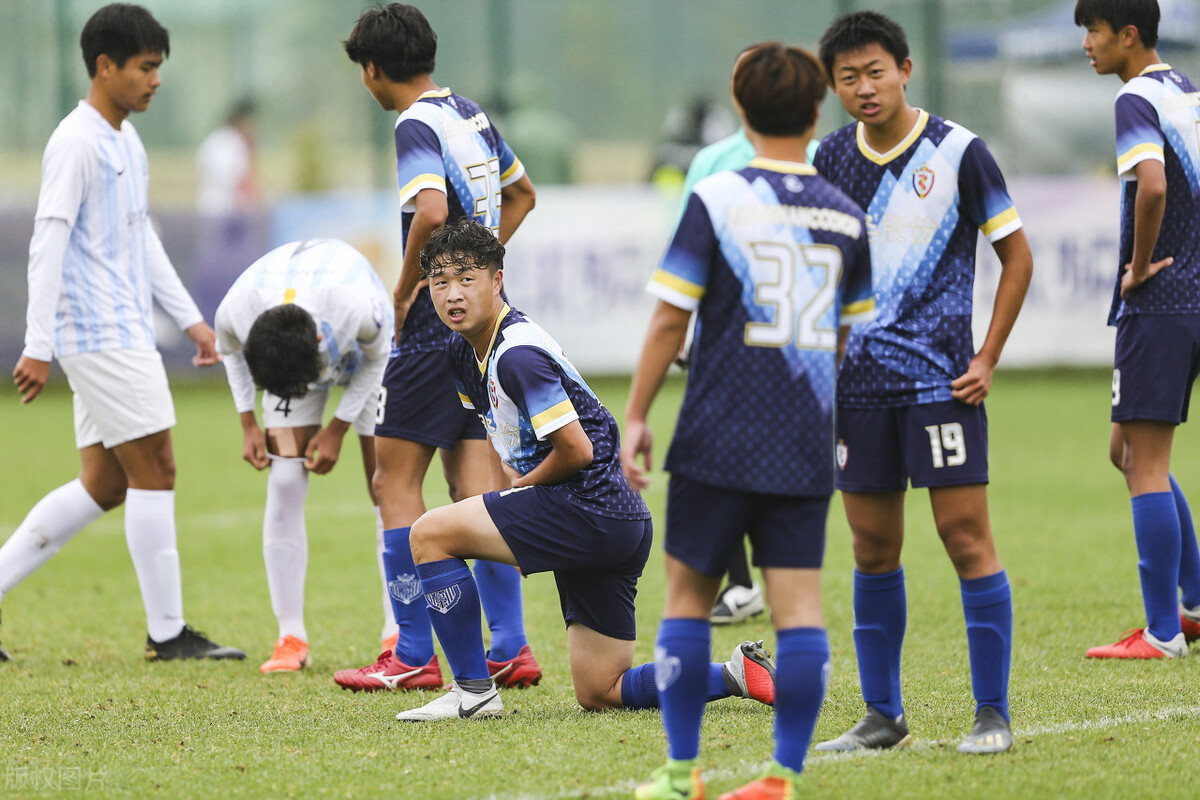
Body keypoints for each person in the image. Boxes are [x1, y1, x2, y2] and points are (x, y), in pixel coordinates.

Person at [391, 219, 777, 722]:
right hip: (618, 521)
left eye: (467, 277)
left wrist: (517, 491)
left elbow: (576, 451)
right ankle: (733, 674)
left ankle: (473, 692)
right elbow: (493, 424)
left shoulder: (517, 355)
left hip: (587, 507)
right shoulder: (461, 350)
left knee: (428, 534)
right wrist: (498, 492)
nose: (453, 294)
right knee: (601, 689)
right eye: (440, 282)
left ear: (497, 280)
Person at [623, 42, 875, 800]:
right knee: (800, 611)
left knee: (687, 603)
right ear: (818, 111)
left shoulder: (720, 198)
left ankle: (680, 773)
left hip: (717, 430)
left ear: (740, 109)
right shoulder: (846, 215)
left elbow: (671, 320)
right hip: (803, 437)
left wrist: (636, 413)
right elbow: (842, 337)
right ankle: (782, 777)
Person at [811, 11, 1033, 754]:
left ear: (906, 68)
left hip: (942, 386)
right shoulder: (827, 159)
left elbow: (1017, 256)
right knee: (871, 549)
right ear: (833, 86)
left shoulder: (960, 152)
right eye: (848, 78)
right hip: (858, 391)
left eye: (876, 71)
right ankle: (882, 718)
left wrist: (987, 356)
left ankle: (993, 715)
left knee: (966, 539)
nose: (865, 88)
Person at [1, 3, 243, 662]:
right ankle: (167, 633)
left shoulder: (125, 140)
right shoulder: (75, 142)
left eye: (158, 67)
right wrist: (38, 341)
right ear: (105, 67)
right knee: (156, 468)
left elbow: (144, 244)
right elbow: (45, 241)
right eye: (145, 67)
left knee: (105, 484)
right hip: (100, 332)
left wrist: (190, 318)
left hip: (122, 326)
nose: (155, 80)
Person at [336, 3, 541, 692]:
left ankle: (414, 652)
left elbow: (427, 211)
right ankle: (510, 646)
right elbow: (523, 195)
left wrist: (411, 288)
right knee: (475, 489)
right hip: (480, 324)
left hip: (428, 331)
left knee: (393, 483)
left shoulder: (415, 121)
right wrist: (477, 278)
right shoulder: (469, 112)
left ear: (371, 70)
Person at [674, 50, 821, 629]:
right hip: (723, 337)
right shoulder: (712, 162)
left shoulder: (815, 161)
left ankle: (759, 581)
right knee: (723, 457)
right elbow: (683, 251)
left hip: (792, 342)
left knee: (775, 464)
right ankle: (738, 584)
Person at [1074, 0, 1200, 658]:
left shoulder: (1135, 100)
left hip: (1161, 297)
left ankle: (1161, 632)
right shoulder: (1188, 91)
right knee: (1126, 451)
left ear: (1128, 34)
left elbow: (1151, 187)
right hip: (1194, 294)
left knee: (1144, 465)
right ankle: (1197, 603)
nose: (1087, 45)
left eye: (1093, 31)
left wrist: (1143, 265)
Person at [213, 239, 394, 673]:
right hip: (294, 353)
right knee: (284, 479)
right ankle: (290, 636)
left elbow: (380, 355)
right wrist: (248, 422)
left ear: (318, 341)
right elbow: (230, 353)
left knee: (386, 487)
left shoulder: (356, 307)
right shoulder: (234, 310)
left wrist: (337, 427)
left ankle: (397, 631)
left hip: (368, 359)